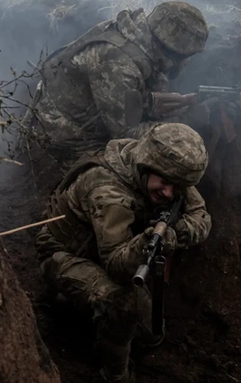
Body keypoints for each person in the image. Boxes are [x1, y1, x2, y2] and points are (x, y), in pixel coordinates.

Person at [34, 123, 212, 383]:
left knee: (150, 333)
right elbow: (117, 267)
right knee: (124, 305)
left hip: (112, 243)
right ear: (147, 165)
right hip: (65, 254)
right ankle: (116, 375)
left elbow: (202, 217)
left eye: (177, 187)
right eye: (164, 183)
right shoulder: (108, 192)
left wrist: (176, 232)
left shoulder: (166, 169)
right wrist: (145, 244)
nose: (169, 193)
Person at [28, 1, 211, 170]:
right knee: (131, 177)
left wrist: (182, 106)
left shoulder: (139, 38)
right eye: (185, 56)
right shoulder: (119, 66)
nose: (186, 62)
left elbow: (141, 97)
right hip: (66, 134)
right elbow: (126, 134)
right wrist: (184, 123)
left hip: (92, 112)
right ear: (170, 48)